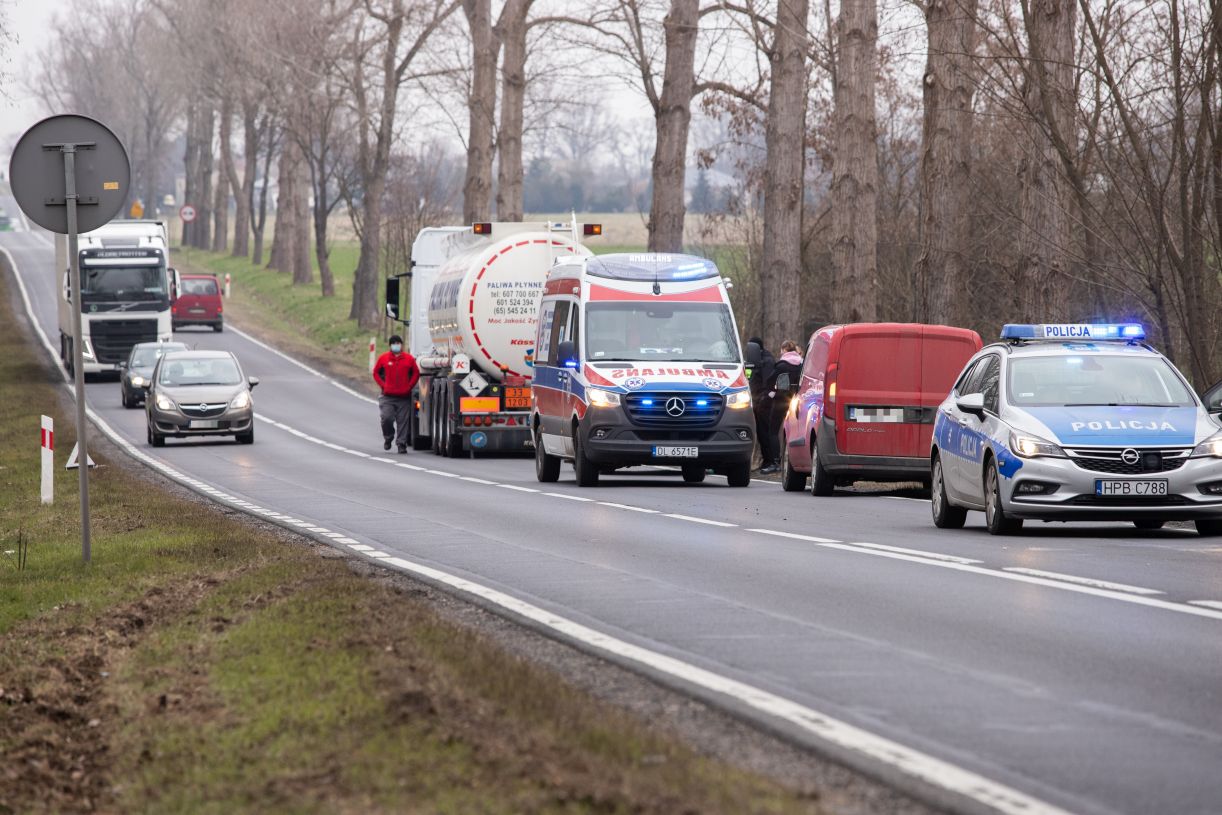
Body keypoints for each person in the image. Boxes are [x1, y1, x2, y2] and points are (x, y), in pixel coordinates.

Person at [372, 335, 420, 453]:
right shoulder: (384, 358)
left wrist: (409, 386)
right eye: (394, 343)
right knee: (386, 418)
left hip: (403, 397)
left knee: (403, 422)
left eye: (398, 343)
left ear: (402, 345)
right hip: (387, 397)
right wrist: (383, 385)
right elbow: (376, 372)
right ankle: (388, 438)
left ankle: (401, 444)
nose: (396, 345)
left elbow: (416, 373)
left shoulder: (409, 359)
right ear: (390, 346)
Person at [764, 340, 804, 474]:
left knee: (773, 431)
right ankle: (793, 460)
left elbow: (770, 381)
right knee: (794, 431)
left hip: (781, 400)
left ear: (785, 350)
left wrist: (770, 394)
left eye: (781, 350)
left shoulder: (781, 365)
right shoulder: (802, 364)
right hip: (797, 400)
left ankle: (776, 461)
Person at [747, 337, 777, 472]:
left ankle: (771, 461)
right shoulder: (756, 360)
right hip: (756, 400)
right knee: (760, 432)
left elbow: (768, 381)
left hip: (764, 402)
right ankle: (766, 460)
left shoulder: (767, 361)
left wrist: (764, 398)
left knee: (765, 431)